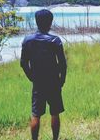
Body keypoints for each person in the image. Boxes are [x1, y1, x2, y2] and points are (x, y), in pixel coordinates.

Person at [20, 9, 67, 140]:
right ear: (50, 22)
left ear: (36, 22)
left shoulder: (27, 40)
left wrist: (32, 77)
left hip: (38, 82)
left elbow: (23, 63)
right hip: (53, 81)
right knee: (55, 112)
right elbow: (62, 63)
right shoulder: (55, 40)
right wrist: (62, 80)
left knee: (36, 114)